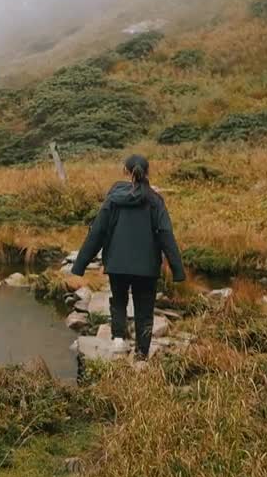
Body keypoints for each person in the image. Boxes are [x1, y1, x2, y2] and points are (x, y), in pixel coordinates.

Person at [71, 154, 184, 360]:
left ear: (126, 172)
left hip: (117, 264)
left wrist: (80, 265)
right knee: (145, 307)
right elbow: (165, 234)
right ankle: (142, 353)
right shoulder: (156, 201)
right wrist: (177, 269)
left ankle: (118, 340)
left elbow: (97, 232)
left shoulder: (113, 199)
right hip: (147, 267)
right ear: (147, 172)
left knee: (119, 300)